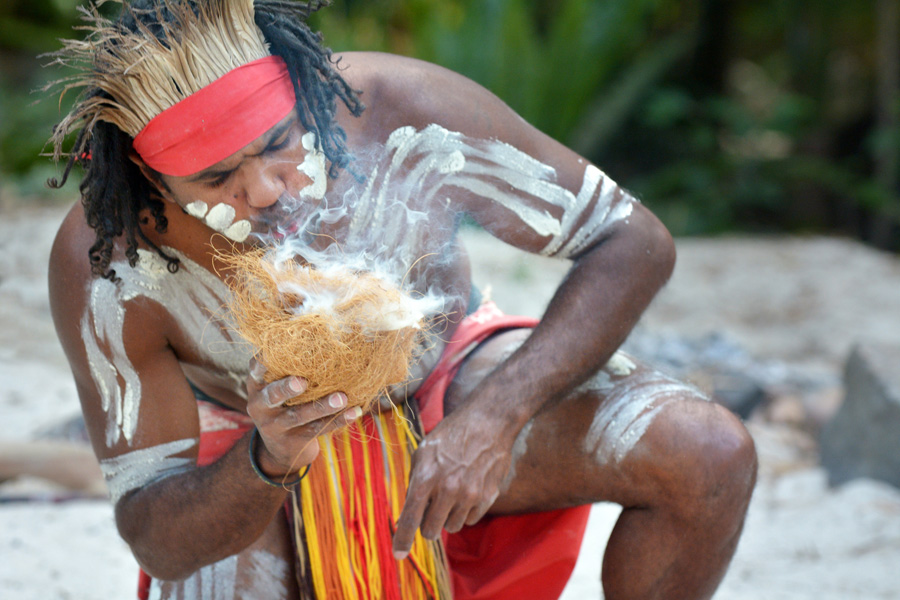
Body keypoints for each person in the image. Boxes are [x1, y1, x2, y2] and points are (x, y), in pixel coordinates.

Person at [46, 1, 757, 599]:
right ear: (147, 173)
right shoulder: (110, 262)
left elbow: (633, 241)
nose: (264, 189)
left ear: (301, 97)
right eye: (216, 176)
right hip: (252, 434)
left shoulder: (399, 110)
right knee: (216, 576)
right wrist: (269, 454)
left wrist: (493, 418)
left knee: (707, 453)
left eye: (278, 145)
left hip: (445, 371)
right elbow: (155, 535)